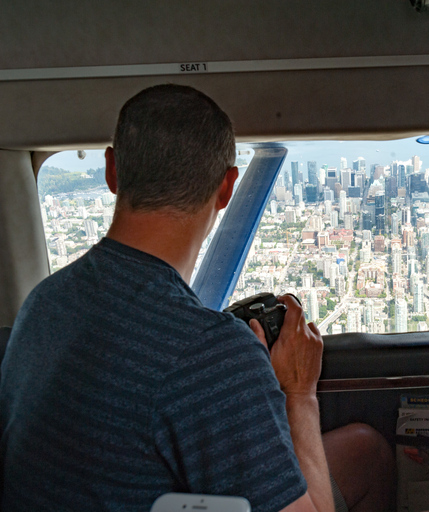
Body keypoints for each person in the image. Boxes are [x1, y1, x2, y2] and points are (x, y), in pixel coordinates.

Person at [0, 84, 393, 512]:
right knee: (370, 457)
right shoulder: (210, 351)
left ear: (112, 171)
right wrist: (299, 393)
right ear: (226, 189)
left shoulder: (41, 305)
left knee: (362, 451)